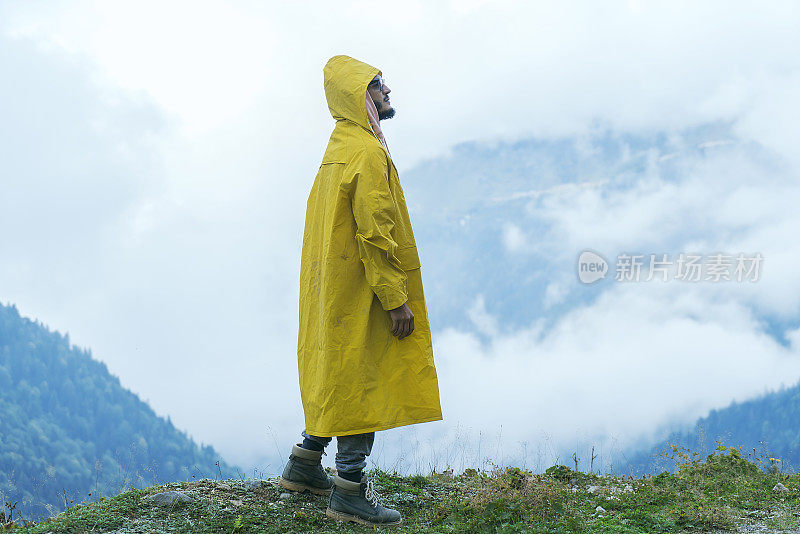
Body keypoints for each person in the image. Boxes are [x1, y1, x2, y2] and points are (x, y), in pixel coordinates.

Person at [278, 54, 443, 527]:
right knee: (362, 382)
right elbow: (375, 233)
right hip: (364, 290)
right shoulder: (368, 154)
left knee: (339, 373)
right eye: (377, 86)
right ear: (359, 97)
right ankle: (349, 490)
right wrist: (395, 299)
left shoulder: (338, 148)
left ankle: (304, 465)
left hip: (333, 290)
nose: (387, 92)